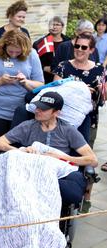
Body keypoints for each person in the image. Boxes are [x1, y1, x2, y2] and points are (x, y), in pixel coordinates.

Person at [0, 29, 44, 209]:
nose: (13, 54)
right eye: (10, 51)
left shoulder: (32, 55)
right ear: (4, 46)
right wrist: (0, 81)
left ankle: (7, 188)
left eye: (17, 52)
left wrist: (25, 82)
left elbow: (40, 85)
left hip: (20, 110)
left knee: (15, 150)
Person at [0, 91, 97, 206]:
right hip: (32, 171)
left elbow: (93, 160)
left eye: (43, 109)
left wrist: (62, 157)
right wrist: (21, 151)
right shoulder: (27, 126)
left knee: (73, 193)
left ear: (56, 113)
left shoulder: (68, 130)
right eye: (38, 107)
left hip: (58, 172)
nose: (37, 110)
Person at [53, 33, 106, 212]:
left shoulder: (99, 69)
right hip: (62, 119)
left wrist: (98, 91)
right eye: (77, 46)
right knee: (65, 155)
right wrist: (82, 89)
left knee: (85, 156)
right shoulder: (63, 66)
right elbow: (56, 93)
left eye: (84, 47)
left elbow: (101, 100)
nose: (79, 50)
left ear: (91, 50)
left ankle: (87, 194)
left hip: (87, 120)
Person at [33, 16, 70, 84]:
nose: (54, 27)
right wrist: (44, 68)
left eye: (57, 25)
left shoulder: (69, 42)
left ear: (62, 27)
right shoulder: (39, 43)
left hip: (64, 78)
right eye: (52, 25)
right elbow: (33, 61)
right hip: (45, 78)